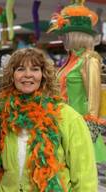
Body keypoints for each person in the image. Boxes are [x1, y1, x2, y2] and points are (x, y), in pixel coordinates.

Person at [0, 48, 97, 191]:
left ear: (43, 75)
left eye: (35, 69)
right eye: (20, 69)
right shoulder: (0, 113)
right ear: (12, 75)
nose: (28, 75)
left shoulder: (67, 116)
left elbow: (85, 174)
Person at [48, 0, 106, 163]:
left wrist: (89, 132)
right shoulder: (69, 61)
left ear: (75, 35)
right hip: (62, 124)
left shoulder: (89, 60)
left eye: (65, 34)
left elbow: (94, 101)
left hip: (81, 128)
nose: (62, 37)